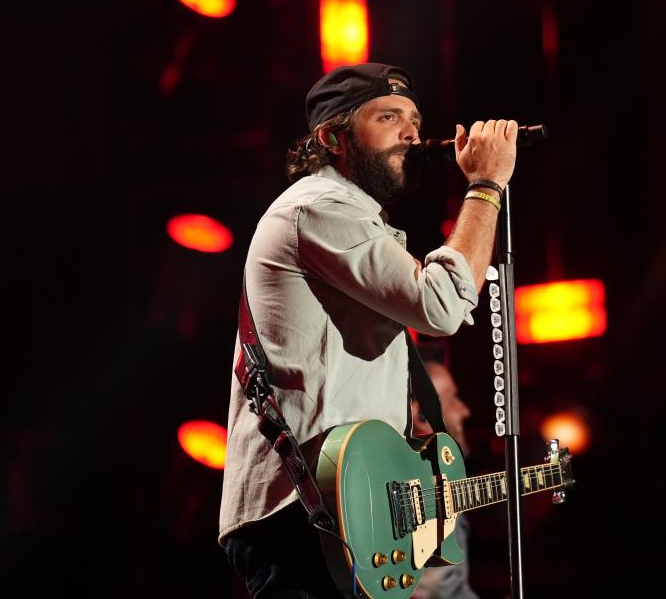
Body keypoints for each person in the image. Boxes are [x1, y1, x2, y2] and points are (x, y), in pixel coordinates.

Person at [218, 62, 518, 598]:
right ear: (332, 137)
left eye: (415, 118)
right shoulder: (317, 208)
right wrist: (487, 185)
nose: (411, 132)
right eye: (388, 117)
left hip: (353, 505)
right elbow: (443, 305)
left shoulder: (355, 221)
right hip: (306, 513)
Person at [409, 340, 479, 599]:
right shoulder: (427, 492)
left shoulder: (445, 482)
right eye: (453, 399)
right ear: (421, 416)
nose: (465, 410)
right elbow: (440, 592)